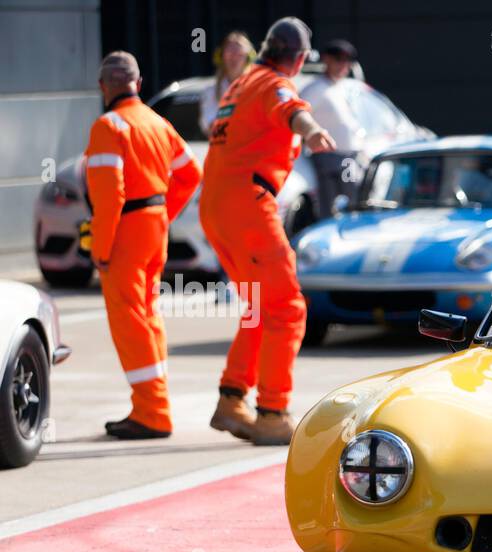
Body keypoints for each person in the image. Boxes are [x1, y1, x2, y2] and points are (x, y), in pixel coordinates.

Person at [200, 16, 336, 445]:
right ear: (296, 60)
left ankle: (231, 399)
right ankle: (273, 412)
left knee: (259, 306)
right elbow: (290, 110)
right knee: (288, 309)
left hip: (218, 208)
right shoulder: (275, 83)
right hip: (247, 207)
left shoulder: (241, 83)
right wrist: (312, 130)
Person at [84, 51, 201, 440]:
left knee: (130, 320)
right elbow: (190, 173)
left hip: (127, 232)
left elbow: (110, 196)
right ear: (139, 83)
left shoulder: (108, 126)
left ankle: (151, 412)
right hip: (154, 229)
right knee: (148, 316)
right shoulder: (157, 122)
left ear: (104, 87)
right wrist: (164, 213)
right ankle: (152, 405)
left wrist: (100, 249)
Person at [298, 39, 364, 215]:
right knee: (334, 210)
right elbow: (296, 117)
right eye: (339, 60)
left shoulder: (342, 86)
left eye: (348, 62)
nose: (344, 66)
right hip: (330, 160)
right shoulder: (315, 88)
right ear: (326, 59)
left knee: (354, 207)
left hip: (348, 158)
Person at [199, 31, 255, 137]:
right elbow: (211, 126)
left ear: (248, 57)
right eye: (230, 53)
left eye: (238, 54)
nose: (234, 58)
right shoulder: (211, 91)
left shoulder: (257, 88)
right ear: (221, 56)